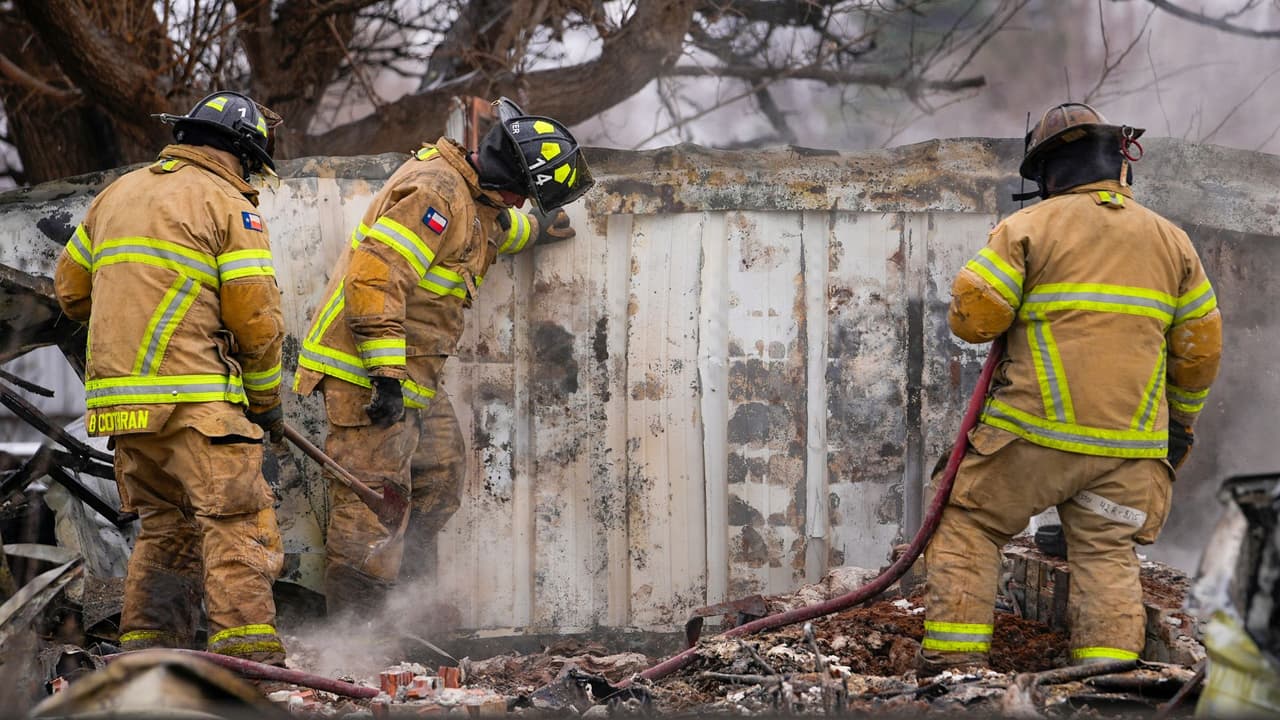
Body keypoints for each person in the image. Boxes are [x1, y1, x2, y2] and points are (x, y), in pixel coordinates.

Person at [920, 103, 1223, 673]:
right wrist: (1178, 428)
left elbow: (973, 320)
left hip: (1032, 440)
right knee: (1107, 553)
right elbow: (1200, 354)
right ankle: (1103, 680)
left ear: (1048, 174)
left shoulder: (1029, 227)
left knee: (968, 523)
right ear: (1119, 167)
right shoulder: (1174, 242)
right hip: (1129, 453)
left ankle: (955, 673)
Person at [292, 97, 592, 616]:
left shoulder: (477, 203)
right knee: (372, 507)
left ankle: (407, 610)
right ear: (510, 180)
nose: (522, 206)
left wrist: (541, 229)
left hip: (411, 379)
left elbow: (494, 232)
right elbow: (376, 278)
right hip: (366, 373)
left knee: (439, 478)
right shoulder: (435, 192)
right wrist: (385, 375)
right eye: (525, 197)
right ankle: (358, 639)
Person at [53, 91, 289, 665]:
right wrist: (265, 401)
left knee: (167, 531)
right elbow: (256, 319)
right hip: (197, 403)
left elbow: (69, 291)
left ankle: (148, 658)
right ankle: (249, 666)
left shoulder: (115, 195)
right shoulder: (229, 203)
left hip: (123, 413)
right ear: (243, 153)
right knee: (237, 524)